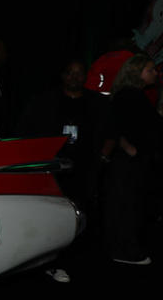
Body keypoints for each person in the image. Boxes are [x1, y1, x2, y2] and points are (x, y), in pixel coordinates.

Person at [18, 58, 107, 282]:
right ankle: (51, 263)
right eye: (70, 73)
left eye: (79, 73)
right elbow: (25, 132)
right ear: (63, 75)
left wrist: (102, 158)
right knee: (52, 218)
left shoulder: (96, 102)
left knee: (81, 217)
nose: (75, 77)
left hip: (84, 171)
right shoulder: (44, 101)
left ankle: (74, 260)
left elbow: (109, 133)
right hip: (52, 170)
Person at [101, 53, 161, 265]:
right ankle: (125, 251)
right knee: (126, 206)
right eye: (150, 69)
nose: (155, 73)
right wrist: (129, 149)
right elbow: (114, 127)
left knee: (129, 205)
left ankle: (125, 249)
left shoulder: (134, 95)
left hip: (134, 162)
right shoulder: (129, 95)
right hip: (129, 164)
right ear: (137, 72)